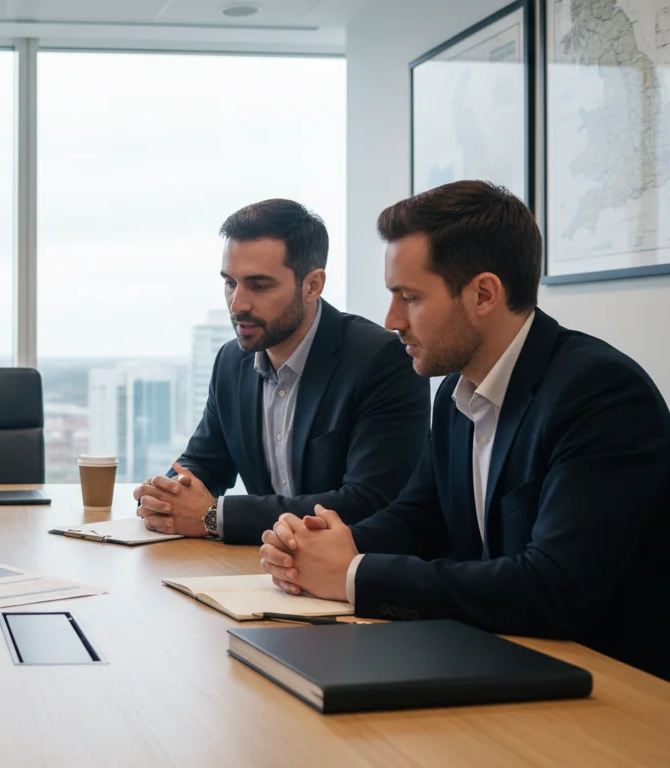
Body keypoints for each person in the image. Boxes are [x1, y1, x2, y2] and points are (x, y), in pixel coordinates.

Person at [259, 180, 670, 681]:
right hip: (502, 660)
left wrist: (352, 573)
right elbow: (420, 517)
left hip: (612, 689)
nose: (391, 320)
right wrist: (318, 546)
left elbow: (554, 587)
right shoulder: (456, 389)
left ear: (483, 294)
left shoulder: (599, 393)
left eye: (408, 297)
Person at [135, 199, 429, 544]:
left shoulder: (380, 360)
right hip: (262, 570)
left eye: (259, 286)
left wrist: (215, 516)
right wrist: (167, 496)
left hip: (350, 579)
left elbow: (369, 502)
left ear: (313, 285)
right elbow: (204, 462)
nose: (237, 304)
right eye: (230, 282)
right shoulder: (232, 361)